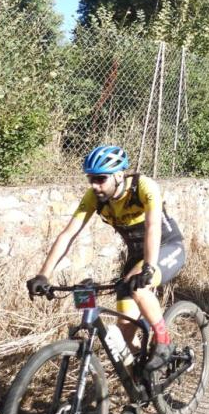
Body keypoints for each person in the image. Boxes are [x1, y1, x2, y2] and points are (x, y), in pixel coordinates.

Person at [26, 145, 185, 376]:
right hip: (136, 258)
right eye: (90, 178)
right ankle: (141, 389)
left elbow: (153, 228)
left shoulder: (144, 187)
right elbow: (68, 234)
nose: (94, 185)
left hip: (166, 247)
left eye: (100, 179)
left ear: (119, 175)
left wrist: (149, 268)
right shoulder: (95, 197)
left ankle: (164, 341)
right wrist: (43, 274)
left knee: (139, 289)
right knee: (124, 337)